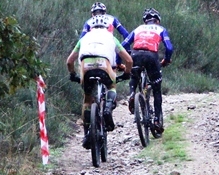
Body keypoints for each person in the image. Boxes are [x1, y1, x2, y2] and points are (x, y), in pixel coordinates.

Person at [66, 14, 133, 149]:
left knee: (87, 100)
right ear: (107, 27)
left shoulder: (84, 38)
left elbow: (69, 61)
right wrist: (126, 73)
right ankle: (108, 107)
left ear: (91, 27)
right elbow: (129, 60)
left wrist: (73, 74)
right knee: (111, 85)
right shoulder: (111, 37)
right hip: (104, 64)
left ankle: (86, 134)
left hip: (86, 66)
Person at [121, 8, 174, 135]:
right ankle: (156, 120)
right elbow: (169, 47)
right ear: (157, 21)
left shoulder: (138, 29)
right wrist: (166, 60)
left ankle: (132, 93)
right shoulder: (161, 29)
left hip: (135, 55)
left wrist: (126, 57)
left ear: (145, 21)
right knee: (156, 88)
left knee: (134, 76)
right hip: (151, 56)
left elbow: (123, 44)